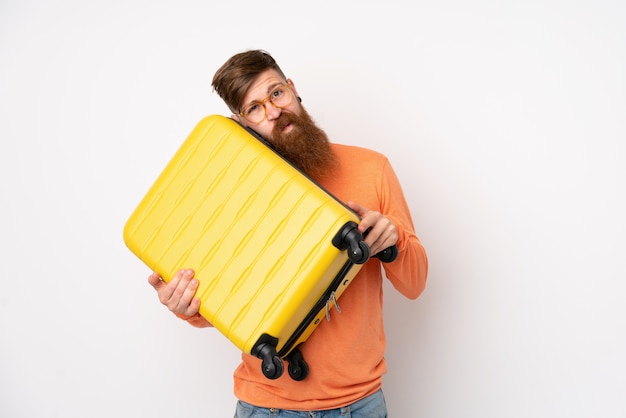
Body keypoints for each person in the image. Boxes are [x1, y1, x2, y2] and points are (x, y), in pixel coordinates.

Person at [147, 49, 428, 417]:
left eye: (276, 93)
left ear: (293, 90)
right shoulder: (230, 193)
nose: (274, 111)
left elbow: (415, 283)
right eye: (255, 108)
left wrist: (393, 243)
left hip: (360, 405)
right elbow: (223, 297)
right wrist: (186, 306)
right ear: (242, 123)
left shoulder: (372, 168)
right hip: (265, 406)